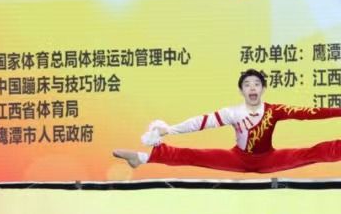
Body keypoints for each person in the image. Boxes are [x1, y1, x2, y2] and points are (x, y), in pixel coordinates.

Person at [113, 69, 341, 173]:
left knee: (309, 153)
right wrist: (170, 129)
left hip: (268, 158)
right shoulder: (233, 113)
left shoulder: (275, 110)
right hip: (237, 158)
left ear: (263, 88)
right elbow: (201, 122)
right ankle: (141, 158)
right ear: (241, 91)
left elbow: (311, 113)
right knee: (195, 156)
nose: (252, 88)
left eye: (256, 84)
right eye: (247, 85)